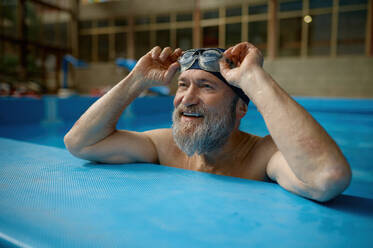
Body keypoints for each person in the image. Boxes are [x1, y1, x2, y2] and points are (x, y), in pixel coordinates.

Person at [64, 42, 351, 202]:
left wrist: (253, 79)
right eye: (183, 85)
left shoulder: (263, 158)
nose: (187, 98)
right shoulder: (165, 147)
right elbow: (80, 143)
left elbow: (326, 177)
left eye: (206, 86)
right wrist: (136, 80)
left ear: (241, 108)